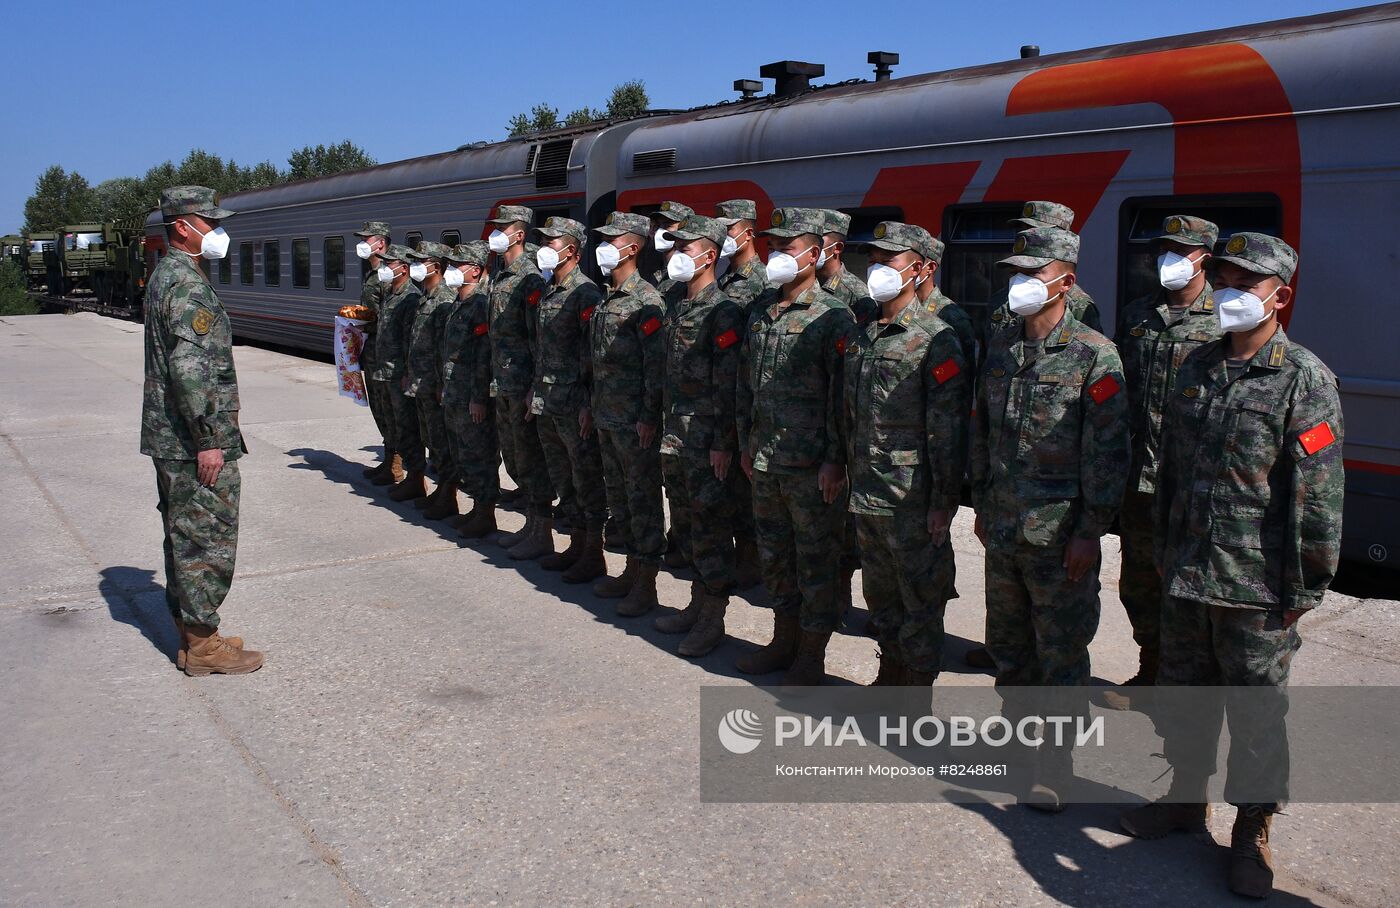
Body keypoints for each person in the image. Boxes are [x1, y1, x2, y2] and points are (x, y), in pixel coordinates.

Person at [1119, 234, 1344, 900]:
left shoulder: (1303, 377)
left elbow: (1320, 493)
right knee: (1184, 697)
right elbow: (1173, 473)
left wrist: (1306, 585)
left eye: (1248, 282)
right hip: (1187, 572)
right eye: (1226, 278)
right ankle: (1185, 798)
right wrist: (1162, 550)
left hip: (1257, 585)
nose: (1231, 292)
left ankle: (1253, 830)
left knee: (1254, 717)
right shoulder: (1196, 368)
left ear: (1281, 296)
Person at [969, 226, 1129, 808]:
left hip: (1059, 534)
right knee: (1009, 647)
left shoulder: (1093, 354)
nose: (1020, 284)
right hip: (1005, 525)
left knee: (1059, 654)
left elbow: (1108, 453)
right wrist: (984, 504)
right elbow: (983, 434)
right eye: (1017, 274)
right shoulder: (1004, 349)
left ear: (1064, 282)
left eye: (1032, 275)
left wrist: (1090, 531)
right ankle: (1016, 750)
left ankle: (1055, 765)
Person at [141, 186, 261, 676]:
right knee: (205, 537)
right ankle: (205, 648)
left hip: (172, 437)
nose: (218, 232)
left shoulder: (166, 275)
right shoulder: (186, 285)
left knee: (184, 534)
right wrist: (209, 439)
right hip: (192, 441)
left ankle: (195, 633)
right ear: (183, 227)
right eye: (209, 223)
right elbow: (190, 371)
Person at [1102, 215, 1221, 710]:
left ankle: (1189, 686)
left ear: (1203, 259)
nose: (1167, 259)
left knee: (1190, 588)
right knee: (1139, 584)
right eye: (1163, 249)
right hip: (1138, 478)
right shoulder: (1136, 316)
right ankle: (1151, 671)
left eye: (1179, 250)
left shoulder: (1224, 321)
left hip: (1193, 484)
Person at [846, 222, 971, 686]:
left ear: (919, 269)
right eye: (874, 260)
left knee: (920, 598)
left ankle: (917, 694)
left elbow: (948, 430)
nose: (878, 268)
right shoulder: (864, 336)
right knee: (880, 595)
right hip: (868, 493)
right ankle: (890, 673)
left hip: (911, 499)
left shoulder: (936, 339)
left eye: (889, 260)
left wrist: (942, 503)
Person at [735, 207, 855, 685]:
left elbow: (840, 397)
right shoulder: (763, 310)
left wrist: (834, 459)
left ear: (815, 255)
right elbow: (748, 383)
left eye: (787, 248)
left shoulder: (833, 318)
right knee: (776, 558)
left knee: (816, 561)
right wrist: (746, 442)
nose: (777, 255)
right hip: (765, 458)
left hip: (810, 466)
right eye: (774, 247)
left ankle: (811, 653)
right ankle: (782, 638)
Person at [653, 214, 748, 657]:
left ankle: (713, 618)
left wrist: (723, 443)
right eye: (675, 248)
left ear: (709, 256)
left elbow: (729, 385)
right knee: (687, 525)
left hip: (706, 439)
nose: (675, 256)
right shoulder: (676, 302)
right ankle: (696, 604)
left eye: (684, 249)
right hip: (675, 434)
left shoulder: (724, 311)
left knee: (711, 529)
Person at [588, 212, 667, 614]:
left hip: (634, 421)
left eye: (610, 239)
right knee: (620, 501)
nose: (602, 246)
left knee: (642, 502)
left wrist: (650, 417)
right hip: (607, 415)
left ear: (632, 248)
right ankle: (631, 571)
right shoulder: (608, 296)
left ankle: (647, 582)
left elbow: (655, 368)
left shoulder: (646, 300)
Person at [527, 217, 608, 580]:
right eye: (541, 240)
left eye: (550, 241)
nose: (543, 246)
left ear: (572, 250)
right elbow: (541, 347)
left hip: (574, 404)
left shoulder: (585, 293)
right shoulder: (550, 289)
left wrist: (588, 402)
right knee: (564, 480)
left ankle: (593, 552)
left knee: (585, 479)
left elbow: (592, 354)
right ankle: (575, 544)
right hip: (548, 401)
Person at [486, 206, 555, 555]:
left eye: (503, 227)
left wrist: (533, 387)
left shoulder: (529, 278)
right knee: (514, 457)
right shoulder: (502, 274)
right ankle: (531, 526)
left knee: (530, 459)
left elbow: (537, 338)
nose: (495, 233)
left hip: (522, 384)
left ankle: (541, 533)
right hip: (503, 382)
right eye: (495, 226)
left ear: (519, 234)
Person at [438, 242, 500, 538]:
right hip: (455, 392)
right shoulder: (458, 304)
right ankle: (476, 509)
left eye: (457, 265)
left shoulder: (479, 305)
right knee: (463, 454)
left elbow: (482, 356)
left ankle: (485, 513)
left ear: (475, 271)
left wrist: (478, 397)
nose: (451, 270)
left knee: (479, 455)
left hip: (470, 396)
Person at [986, 201, 1103, 335]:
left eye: (1036, 229)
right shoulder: (1000, 299)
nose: (1027, 234)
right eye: (1023, 228)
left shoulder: (1078, 304)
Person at [404, 241, 459, 519]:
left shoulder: (444, 298)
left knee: (441, 440)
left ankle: (448, 494)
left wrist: (440, 383)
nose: (414, 266)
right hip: (421, 381)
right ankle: (441, 490)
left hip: (434, 382)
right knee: (431, 439)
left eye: (420, 261)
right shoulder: (426, 296)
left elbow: (443, 346)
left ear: (436, 266)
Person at [374, 245, 429, 502]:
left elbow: (411, 339)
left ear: (403, 268)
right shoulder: (391, 293)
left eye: (389, 263)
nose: (383, 268)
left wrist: (408, 371)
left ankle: (415, 477)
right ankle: (397, 468)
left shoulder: (410, 297)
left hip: (399, 373)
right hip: (385, 370)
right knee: (391, 425)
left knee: (407, 427)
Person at [354, 220, 400, 485]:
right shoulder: (371, 273)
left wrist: (364, 319)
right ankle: (388, 458)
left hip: (385, 352)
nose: (361, 244)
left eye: (366, 238)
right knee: (379, 408)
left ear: (380, 243)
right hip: (372, 349)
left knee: (390, 409)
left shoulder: (386, 273)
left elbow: (390, 313)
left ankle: (396, 464)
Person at [817, 209, 877, 326]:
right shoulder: (800, 284)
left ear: (837, 248)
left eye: (818, 240)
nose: (809, 246)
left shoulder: (857, 296)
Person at [714, 199, 768, 309]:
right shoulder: (723, 279)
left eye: (727, 229)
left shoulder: (764, 280)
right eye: (719, 229)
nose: (721, 235)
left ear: (748, 234)